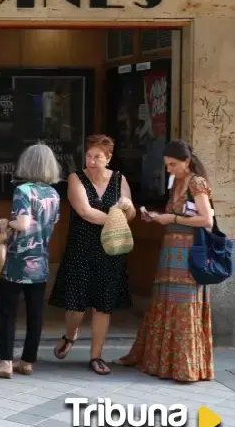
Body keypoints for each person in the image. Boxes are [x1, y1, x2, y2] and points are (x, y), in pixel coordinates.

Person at [116, 140, 215, 382]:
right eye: (166, 165)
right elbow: (179, 215)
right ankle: (163, 361)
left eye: (172, 165)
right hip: (171, 250)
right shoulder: (176, 183)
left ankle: (184, 365)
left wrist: (172, 218)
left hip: (189, 252)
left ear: (186, 162)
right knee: (165, 300)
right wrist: (158, 218)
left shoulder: (196, 182)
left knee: (183, 303)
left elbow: (206, 220)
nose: (169, 169)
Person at [48, 134, 135, 375]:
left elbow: (131, 213)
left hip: (110, 250)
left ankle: (96, 356)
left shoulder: (119, 180)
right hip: (81, 247)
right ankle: (70, 334)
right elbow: (85, 211)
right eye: (88, 156)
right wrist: (116, 219)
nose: (92, 161)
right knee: (76, 306)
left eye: (97, 156)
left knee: (103, 306)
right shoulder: (76, 178)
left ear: (108, 158)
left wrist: (127, 209)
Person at [0, 144, 62, 379]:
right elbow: (49, 225)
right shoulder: (54, 194)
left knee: (8, 311)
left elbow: (24, 223)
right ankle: (27, 361)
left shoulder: (23, 191)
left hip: (17, 260)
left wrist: (8, 223)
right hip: (40, 259)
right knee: (35, 313)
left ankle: (5, 362)